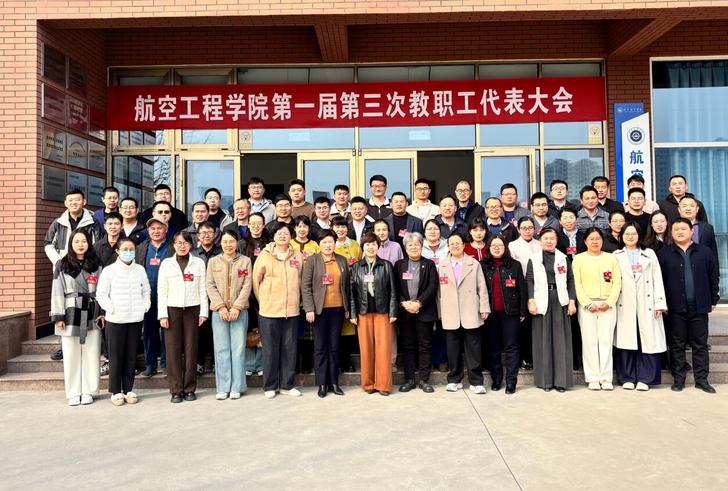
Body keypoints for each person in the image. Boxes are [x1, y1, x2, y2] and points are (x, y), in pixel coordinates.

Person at [658, 218, 719, 393]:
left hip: (699, 306)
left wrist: (713, 298)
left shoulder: (705, 252)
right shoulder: (664, 254)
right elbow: (659, 281)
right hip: (674, 307)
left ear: (692, 231)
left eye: (683, 229)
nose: (680, 232)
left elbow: (713, 276)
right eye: (676, 229)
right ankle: (678, 380)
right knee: (676, 345)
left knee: (700, 344)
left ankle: (702, 380)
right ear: (671, 233)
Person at [49, 229, 103, 406]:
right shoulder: (62, 264)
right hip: (70, 311)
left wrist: (102, 312)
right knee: (71, 353)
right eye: (77, 241)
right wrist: (59, 316)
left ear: (89, 243)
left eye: (84, 241)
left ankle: (89, 390)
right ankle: (73, 392)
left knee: (92, 352)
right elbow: (57, 291)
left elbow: (103, 290)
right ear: (71, 243)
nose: (81, 244)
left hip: (92, 311)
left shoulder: (96, 264)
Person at [45, 189, 99, 361]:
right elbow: (48, 243)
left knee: (87, 307)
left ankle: (89, 347)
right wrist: (59, 262)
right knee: (65, 306)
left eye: (77, 200)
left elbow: (96, 244)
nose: (74, 203)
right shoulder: (58, 223)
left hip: (87, 266)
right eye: (70, 200)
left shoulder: (93, 222)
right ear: (65, 203)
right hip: (66, 268)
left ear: (84, 201)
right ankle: (64, 346)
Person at [96, 237, 151, 406]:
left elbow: (146, 291)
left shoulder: (140, 270)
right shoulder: (109, 271)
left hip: (135, 319)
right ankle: (116, 391)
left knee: (131, 356)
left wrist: (144, 307)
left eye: (131, 249)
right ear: (117, 251)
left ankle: (128, 389)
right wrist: (112, 309)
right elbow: (101, 295)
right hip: (116, 320)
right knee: (116, 356)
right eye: (125, 249)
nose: (128, 252)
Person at [252, 223, 305, 399]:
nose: (282, 236)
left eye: (286, 233)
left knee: (290, 349)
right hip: (269, 311)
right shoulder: (265, 255)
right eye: (279, 233)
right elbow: (256, 281)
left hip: (291, 310)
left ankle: (287, 385)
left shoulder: (297, 255)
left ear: (291, 236)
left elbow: (301, 279)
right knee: (270, 349)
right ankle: (270, 385)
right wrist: (264, 301)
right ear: (273, 236)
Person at [613, 223, 667, 391]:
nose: (630, 237)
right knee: (626, 340)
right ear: (621, 236)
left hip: (647, 302)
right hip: (624, 303)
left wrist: (659, 303)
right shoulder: (616, 255)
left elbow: (657, 278)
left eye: (634, 233)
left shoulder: (649, 253)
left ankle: (646, 378)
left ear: (639, 235)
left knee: (648, 340)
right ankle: (627, 377)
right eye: (627, 234)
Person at [158, 231, 208, 403]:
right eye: (178, 243)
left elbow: (203, 289)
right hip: (172, 309)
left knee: (191, 348)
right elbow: (161, 290)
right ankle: (176, 389)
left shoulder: (198, 263)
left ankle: (189, 388)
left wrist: (203, 312)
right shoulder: (166, 264)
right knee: (172, 350)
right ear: (173, 245)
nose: (182, 246)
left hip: (193, 309)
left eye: (185, 243)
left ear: (191, 245)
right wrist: (162, 315)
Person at [438, 233, 490, 394]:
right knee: (453, 349)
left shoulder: (473, 263)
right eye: (452, 243)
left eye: (458, 243)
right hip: (450, 311)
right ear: (448, 246)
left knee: (473, 348)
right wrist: (440, 312)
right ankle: (454, 379)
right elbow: (438, 292)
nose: (455, 246)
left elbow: (482, 287)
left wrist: (484, 307)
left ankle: (476, 381)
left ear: (463, 245)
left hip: (470, 309)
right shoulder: (442, 265)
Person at [526, 227, 577, 392]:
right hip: (541, 301)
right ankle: (545, 381)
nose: (549, 241)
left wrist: (572, 301)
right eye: (545, 238)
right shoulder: (534, 259)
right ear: (540, 241)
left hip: (560, 301)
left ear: (556, 240)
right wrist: (531, 301)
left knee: (561, 341)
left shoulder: (563, 258)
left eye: (552, 238)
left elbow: (570, 280)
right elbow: (529, 280)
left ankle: (561, 381)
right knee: (543, 340)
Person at [301, 231, 351, 398]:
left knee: (335, 347)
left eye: (330, 242)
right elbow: (305, 286)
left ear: (335, 243)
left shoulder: (342, 260)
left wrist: (347, 307)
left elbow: (346, 286)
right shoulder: (312, 261)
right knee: (321, 347)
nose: (328, 245)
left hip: (338, 310)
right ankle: (322, 383)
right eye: (324, 242)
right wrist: (309, 309)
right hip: (319, 311)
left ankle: (334, 382)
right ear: (319, 244)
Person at [572, 227, 622, 390]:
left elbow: (617, 282)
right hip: (587, 306)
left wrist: (609, 301)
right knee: (589, 342)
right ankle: (593, 377)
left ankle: (606, 378)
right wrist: (587, 303)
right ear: (585, 241)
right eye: (591, 239)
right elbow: (576, 283)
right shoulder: (578, 259)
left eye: (598, 239)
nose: (595, 242)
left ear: (602, 241)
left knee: (606, 341)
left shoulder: (611, 258)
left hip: (608, 305)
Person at [206, 229, 253, 400]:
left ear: (236, 243)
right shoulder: (213, 262)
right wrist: (221, 307)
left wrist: (237, 307)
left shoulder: (245, 261)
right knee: (221, 349)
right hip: (219, 312)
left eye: (231, 241)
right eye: (225, 241)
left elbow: (247, 285)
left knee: (238, 349)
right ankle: (223, 387)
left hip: (239, 311)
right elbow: (210, 285)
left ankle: (237, 387)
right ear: (220, 243)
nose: (228, 245)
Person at [349, 232, 397, 396]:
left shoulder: (386, 265)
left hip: (382, 312)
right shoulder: (357, 266)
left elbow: (393, 290)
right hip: (363, 312)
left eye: (374, 244)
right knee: (366, 349)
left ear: (378, 246)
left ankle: (383, 385)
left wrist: (393, 311)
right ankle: (368, 383)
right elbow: (351, 292)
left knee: (383, 349)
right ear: (363, 247)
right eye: (367, 244)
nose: (371, 247)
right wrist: (353, 314)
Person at [394, 232, 438, 393]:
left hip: (424, 311)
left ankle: (424, 380)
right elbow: (394, 287)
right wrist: (404, 303)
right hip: (405, 311)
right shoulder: (399, 265)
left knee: (425, 345)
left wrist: (418, 303)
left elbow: (432, 286)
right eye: (410, 245)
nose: (413, 247)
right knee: (408, 346)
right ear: (405, 248)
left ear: (421, 246)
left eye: (416, 244)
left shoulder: (429, 264)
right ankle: (410, 379)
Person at [483, 235, 527, 393]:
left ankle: (511, 382)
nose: (496, 248)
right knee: (493, 347)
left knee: (511, 347)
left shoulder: (515, 265)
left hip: (511, 312)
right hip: (490, 313)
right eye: (493, 245)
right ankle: (496, 379)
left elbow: (522, 289)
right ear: (489, 248)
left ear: (505, 247)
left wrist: (522, 310)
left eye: (500, 245)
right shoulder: (483, 265)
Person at [135, 217, 174, 378]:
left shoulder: (172, 248)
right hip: (147, 297)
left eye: (160, 228)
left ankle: (166, 364)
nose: (156, 231)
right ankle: (150, 365)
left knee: (167, 332)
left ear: (166, 230)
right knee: (149, 332)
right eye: (152, 228)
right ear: (148, 231)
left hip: (168, 297)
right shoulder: (140, 248)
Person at [508, 216, 542, 371]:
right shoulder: (512, 246)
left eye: (530, 228)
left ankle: (536, 357)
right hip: (520, 288)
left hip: (539, 288)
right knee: (523, 325)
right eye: (524, 228)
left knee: (537, 325)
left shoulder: (540, 244)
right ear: (518, 229)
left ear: (535, 229)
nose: (527, 231)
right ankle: (523, 358)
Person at [237, 212, 268, 377]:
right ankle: (249, 364)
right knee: (248, 328)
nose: (256, 226)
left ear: (264, 225)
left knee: (264, 328)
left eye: (259, 223)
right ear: (248, 225)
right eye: (253, 223)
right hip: (246, 292)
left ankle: (261, 363)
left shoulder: (270, 243)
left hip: (265, 291)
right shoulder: (241, 244)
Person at [331, 216, 361, 373]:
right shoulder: (329, 244)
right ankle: (337, 361)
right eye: (337, 227)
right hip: (335, 290)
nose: (340, 230)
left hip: (352, 289)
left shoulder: (354, 245)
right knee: (337, 327)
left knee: (349, 326)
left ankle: (347, 360)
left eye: (343, 227)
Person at [191, 221, 221, 376]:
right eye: (203, 232)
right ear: (198, 236)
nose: (206, 235)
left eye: (209, 232)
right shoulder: (193, 254)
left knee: (216, 332)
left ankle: (217, 362)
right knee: (198, 332)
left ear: (215, 235)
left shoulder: (221, 252)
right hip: (198, 297)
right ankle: (199, 362)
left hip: (218, 297)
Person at [678, 195, 718, 261]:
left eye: (691, 206)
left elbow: (713, 253)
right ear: (679, 209)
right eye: (684, 206)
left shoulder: (707, 228)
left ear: (697, 209)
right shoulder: (672, 228)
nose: (688, 209)